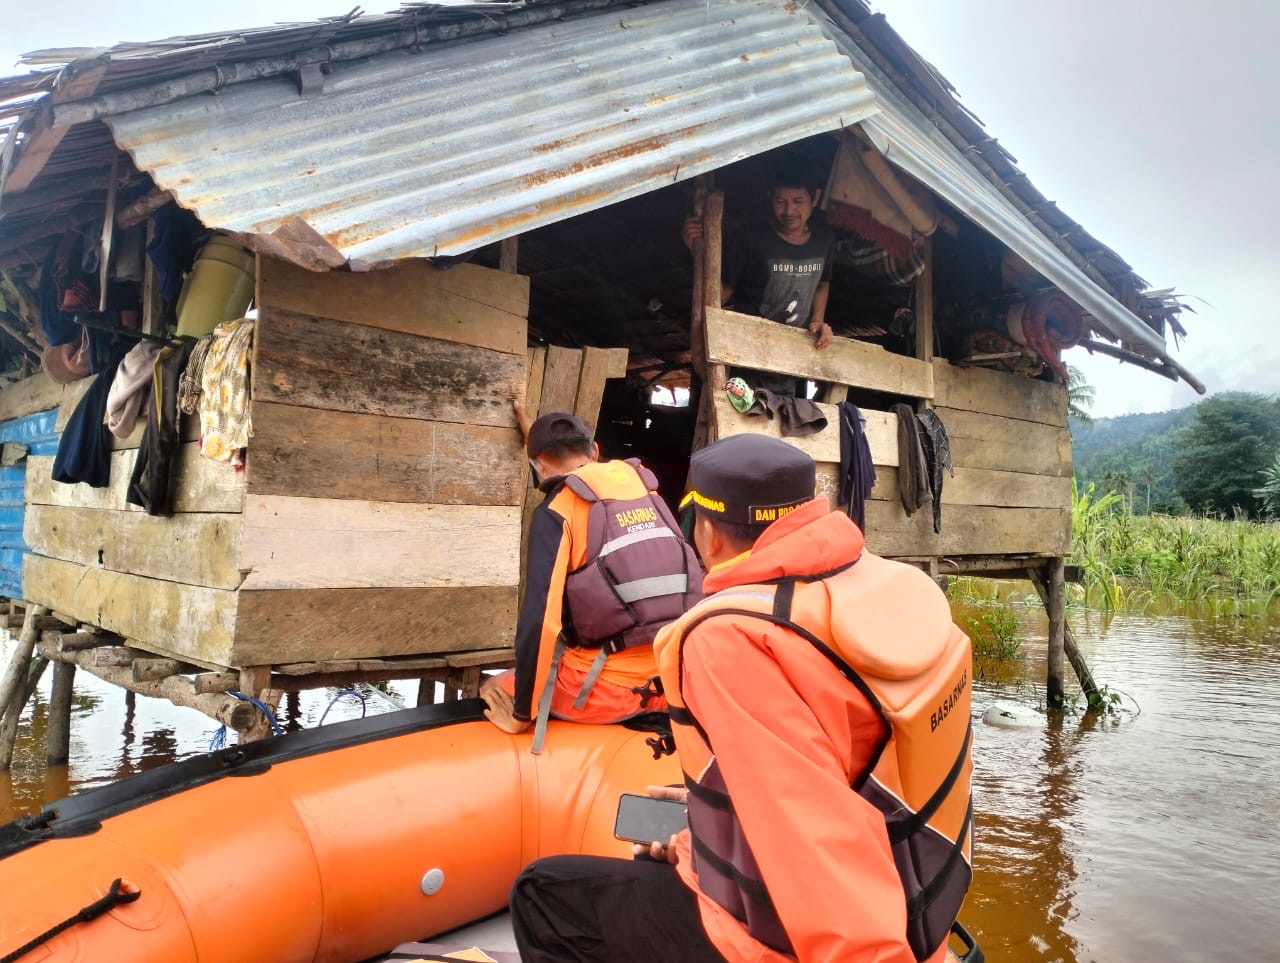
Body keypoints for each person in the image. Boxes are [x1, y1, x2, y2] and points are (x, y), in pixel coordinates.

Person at [509, 434, 976, 962]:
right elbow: (852, 769)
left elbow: (820, 846)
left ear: (706, 534)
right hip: (919, 907)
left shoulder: (730, 638)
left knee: (543, 893)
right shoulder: (885, 585)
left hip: (789, 943)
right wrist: (706, 821)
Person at [479, 404, 704, 752]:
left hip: (609, 691)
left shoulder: (558, 510)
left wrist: (522, 713)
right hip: (675, 678)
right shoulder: (644, 487)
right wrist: (531, 431)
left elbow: (541, 622)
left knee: (494, 687)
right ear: (595, 450)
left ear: (538, 466)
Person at [683, 158, 836, 396]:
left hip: (792, 361)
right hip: (748, 358)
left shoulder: (823, 240)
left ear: (815, 198)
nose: (788, 211)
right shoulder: (752, 239)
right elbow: (721, 294)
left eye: (798, 201)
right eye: (780, 201)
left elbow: (822, 284)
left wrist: (817, 320)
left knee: (786, 426)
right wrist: (698, 252)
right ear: (769, 198)